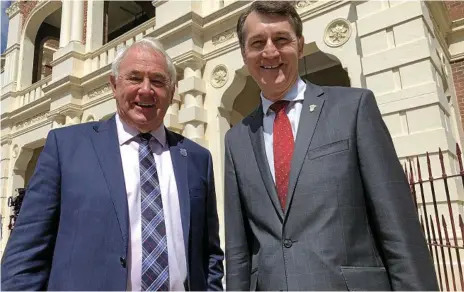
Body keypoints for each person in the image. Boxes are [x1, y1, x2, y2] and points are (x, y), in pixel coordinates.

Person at [224, 2, 438, 291]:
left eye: (282, 39)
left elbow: (398, 228)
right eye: (258, 43)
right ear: (244, 54)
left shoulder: (353, 108)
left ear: (299, 45)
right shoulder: (236, 139)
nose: (270, 51)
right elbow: (239, 251)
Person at [1, 37, 224, 291]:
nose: (146, 90)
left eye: (158, 81)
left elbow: (210, 255)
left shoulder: (196, 158)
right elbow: (24, 258)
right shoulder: (66, 148)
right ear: (114, 85)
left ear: (172, 91)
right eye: (135, 78)